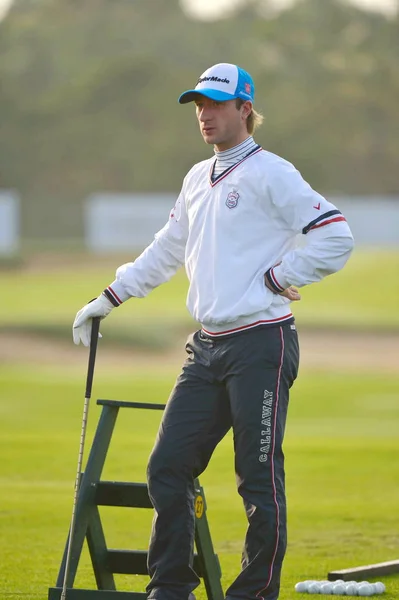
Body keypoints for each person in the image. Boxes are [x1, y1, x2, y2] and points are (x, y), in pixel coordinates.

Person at [73, 63, 354, 600]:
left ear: (244, 109)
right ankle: (171, 585)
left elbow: (335, 236)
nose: (204, 114)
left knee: (257, 476)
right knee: (167, 466)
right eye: (198, 105)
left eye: (216, 104)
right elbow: (167, 249)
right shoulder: (196, 177)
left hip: (260, 344)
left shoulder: (272, 172)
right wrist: (109, 297)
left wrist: (280, 275)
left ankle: (253, 593)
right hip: (205, 348)